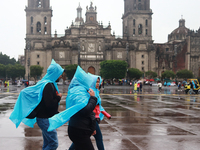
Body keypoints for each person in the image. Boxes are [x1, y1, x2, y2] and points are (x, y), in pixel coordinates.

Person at [9, 59, 64, 150]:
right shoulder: (48, 85)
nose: (61, 76)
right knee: (53, 144)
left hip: (44, 118)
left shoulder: (46, 83)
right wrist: (58, 97)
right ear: (55, 74)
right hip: (45, 119)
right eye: (60, 73)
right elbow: (49, 104)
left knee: (47, 143)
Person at [69, 74, 111, 150]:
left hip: (92, 119)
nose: (98, 84)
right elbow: (88, 108)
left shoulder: (96, 91)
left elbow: (98, 106)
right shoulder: (89, 91)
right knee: (98, 138)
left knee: (81, 140)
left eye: (99, 82)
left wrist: (105, 113)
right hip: (90, 119)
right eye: (96, 82)